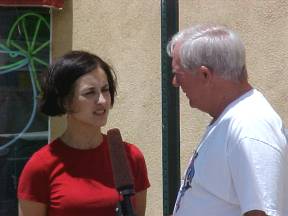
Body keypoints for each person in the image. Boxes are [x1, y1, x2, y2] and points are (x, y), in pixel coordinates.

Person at [167, 24, 288, 216]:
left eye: (178, 74)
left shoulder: (250, 125)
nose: (175, 82)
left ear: (205, 74)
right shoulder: (233, 118)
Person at [17, 50, 150, 216]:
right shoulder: (40, 167)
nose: (102, 100)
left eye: (105, 89)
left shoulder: (130, 157)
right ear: (65, 101)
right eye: (90, 92)